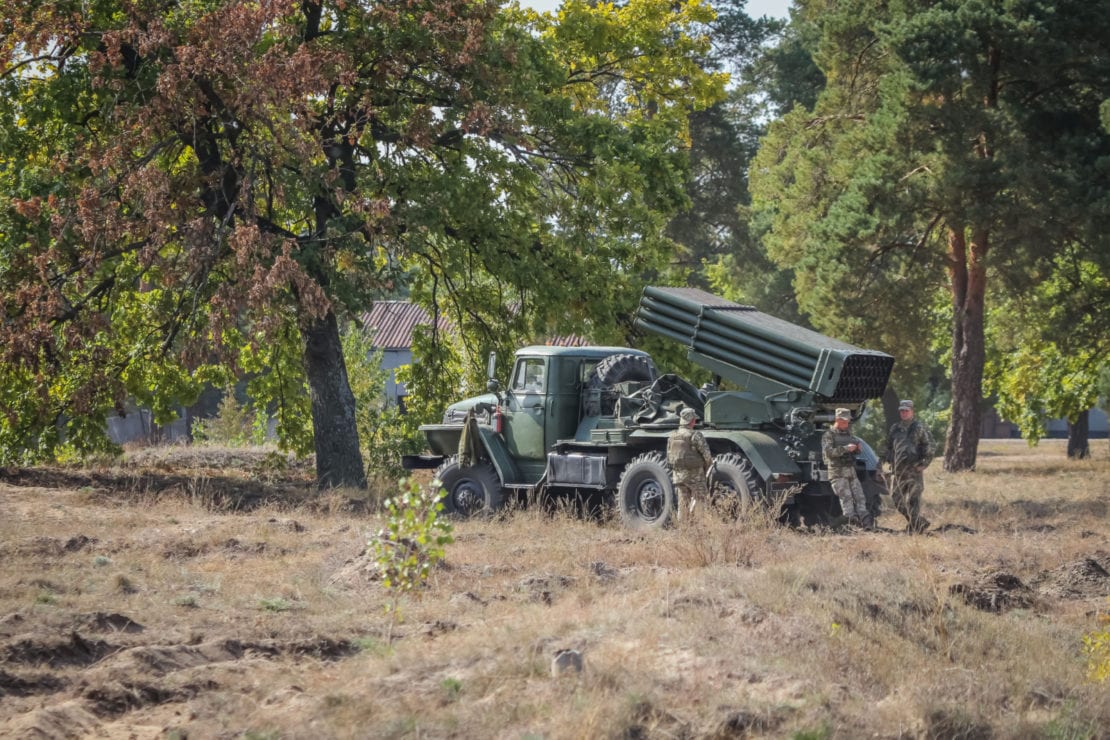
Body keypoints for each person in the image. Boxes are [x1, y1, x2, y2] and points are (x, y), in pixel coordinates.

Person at [884, 399, 935, 533]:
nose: (904, 413)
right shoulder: (895, 428)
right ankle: (918, 522)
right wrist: (887, 461)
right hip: (899, 471)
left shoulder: (919, 428)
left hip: (914, 471)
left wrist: (924, 464)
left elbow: (929, 446)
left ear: (912, 411)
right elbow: (889, 447)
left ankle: (914, 529)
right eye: (902, 411)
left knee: (914, 501)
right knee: (897, 500)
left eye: (906, 410)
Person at [822, 407, 872, 529]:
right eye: (843, 421)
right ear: (837, 419)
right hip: (837, 473)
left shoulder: (848, 434)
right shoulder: (829, 435)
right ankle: (844, 525)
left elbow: (854, 453)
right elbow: (829, 453)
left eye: (847, 421)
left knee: (860, 497)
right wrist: (845, 448)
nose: (846, 423)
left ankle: (866, 522)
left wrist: (857, 449)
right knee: (847, 499)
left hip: (850, 471)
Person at [667, 407, 712, 520]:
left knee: (682, 503)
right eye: (694, 420)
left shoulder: (672, 436)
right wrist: (706, 468)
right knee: (700, 500)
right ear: (692, 421)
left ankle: (683, 528)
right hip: (695, 476)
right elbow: (707, 456)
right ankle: (698, 526)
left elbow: (669, 457)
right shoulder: (695, 435)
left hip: (678, 476)